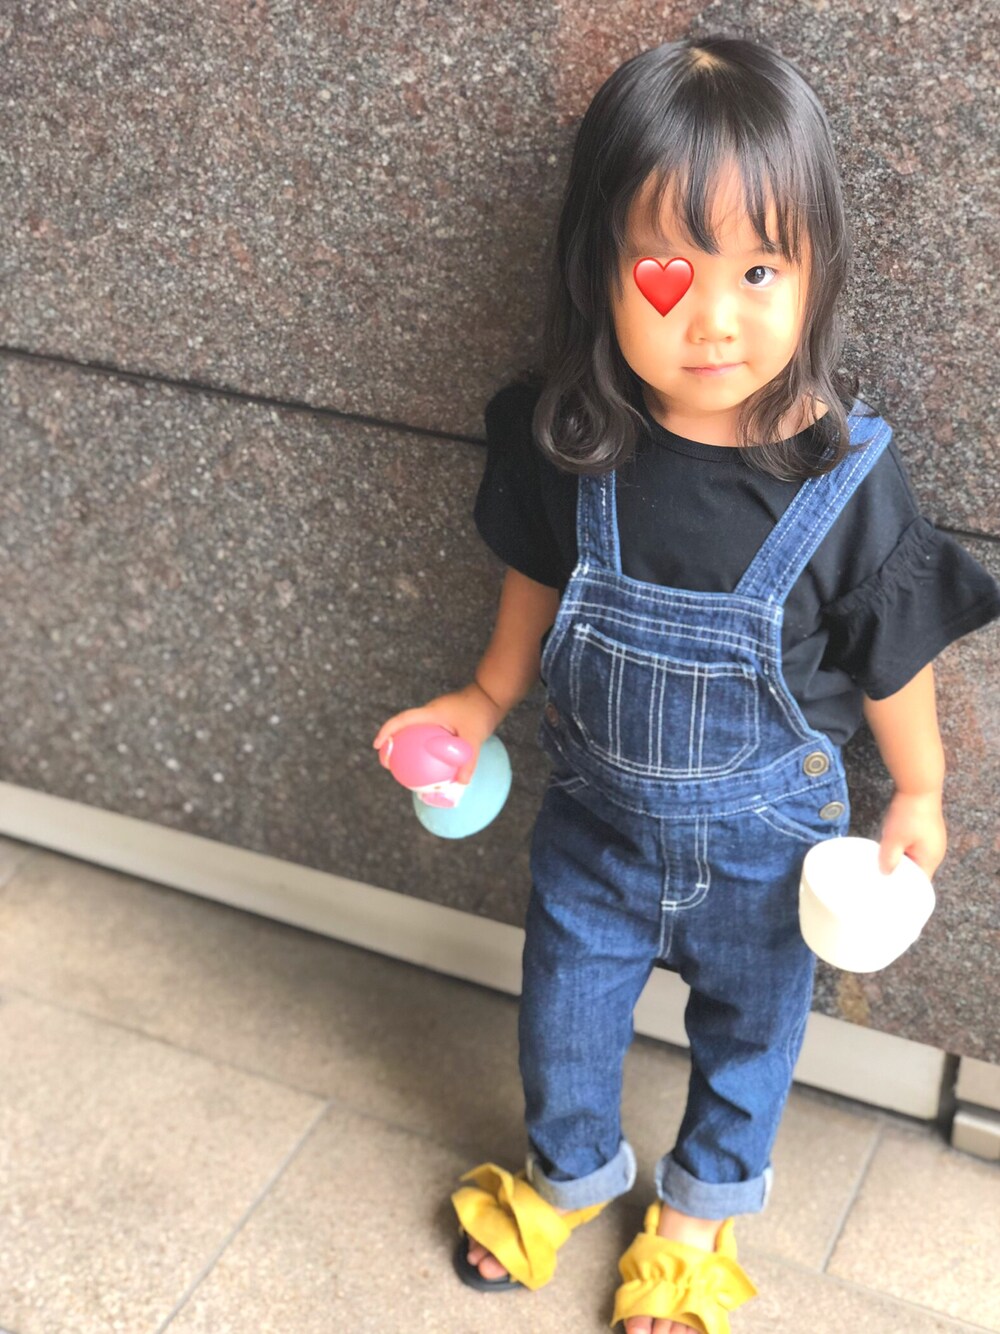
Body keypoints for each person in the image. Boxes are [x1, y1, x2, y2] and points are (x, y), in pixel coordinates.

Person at [372, 32, 1000, 1334]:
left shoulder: (842, 480)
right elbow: (535, 587)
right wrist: (481, 701)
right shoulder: (575, 439)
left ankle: (699, 1213)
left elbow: (893, 649)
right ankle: (567, 1173)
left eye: (760, 269)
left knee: (753, 1038)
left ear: (817, 270)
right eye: (668, 271)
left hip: (771, 852)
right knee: (562, 1015)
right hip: (595, 831)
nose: (714, 316)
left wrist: (922, 788)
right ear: (600, 271)